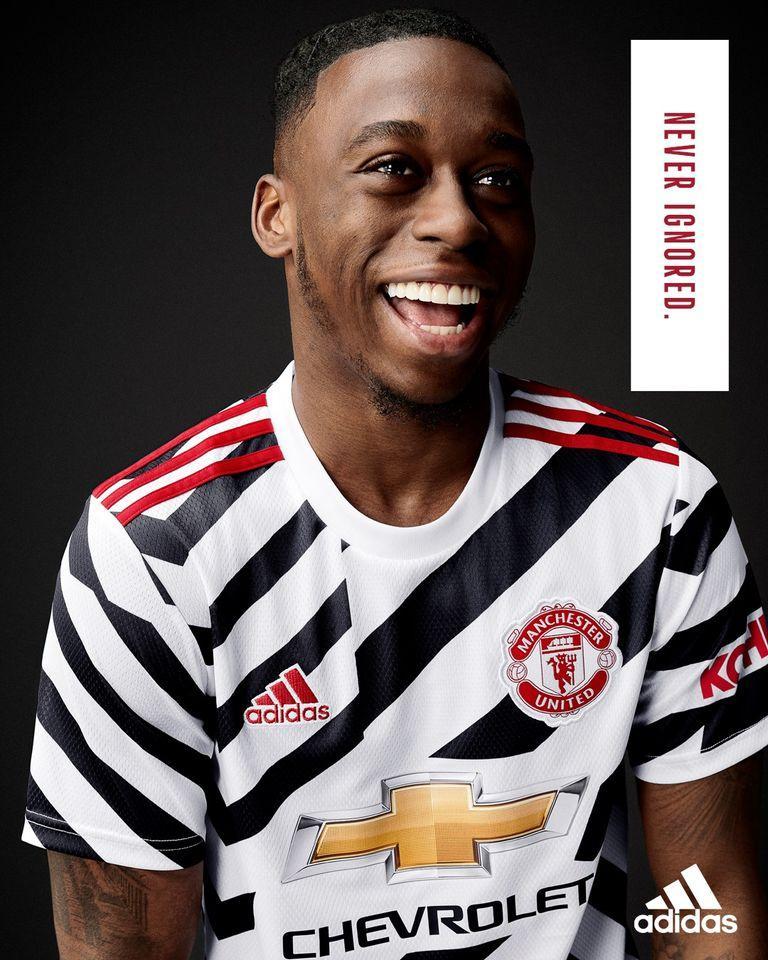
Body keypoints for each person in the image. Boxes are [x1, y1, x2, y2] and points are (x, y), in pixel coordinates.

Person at [22, 9, 768, 960]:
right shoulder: (152, 550)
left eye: (497, 180)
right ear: (278, 215)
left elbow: (708, 907)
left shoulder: (657, 506)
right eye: (393, 168)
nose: (458, 219)